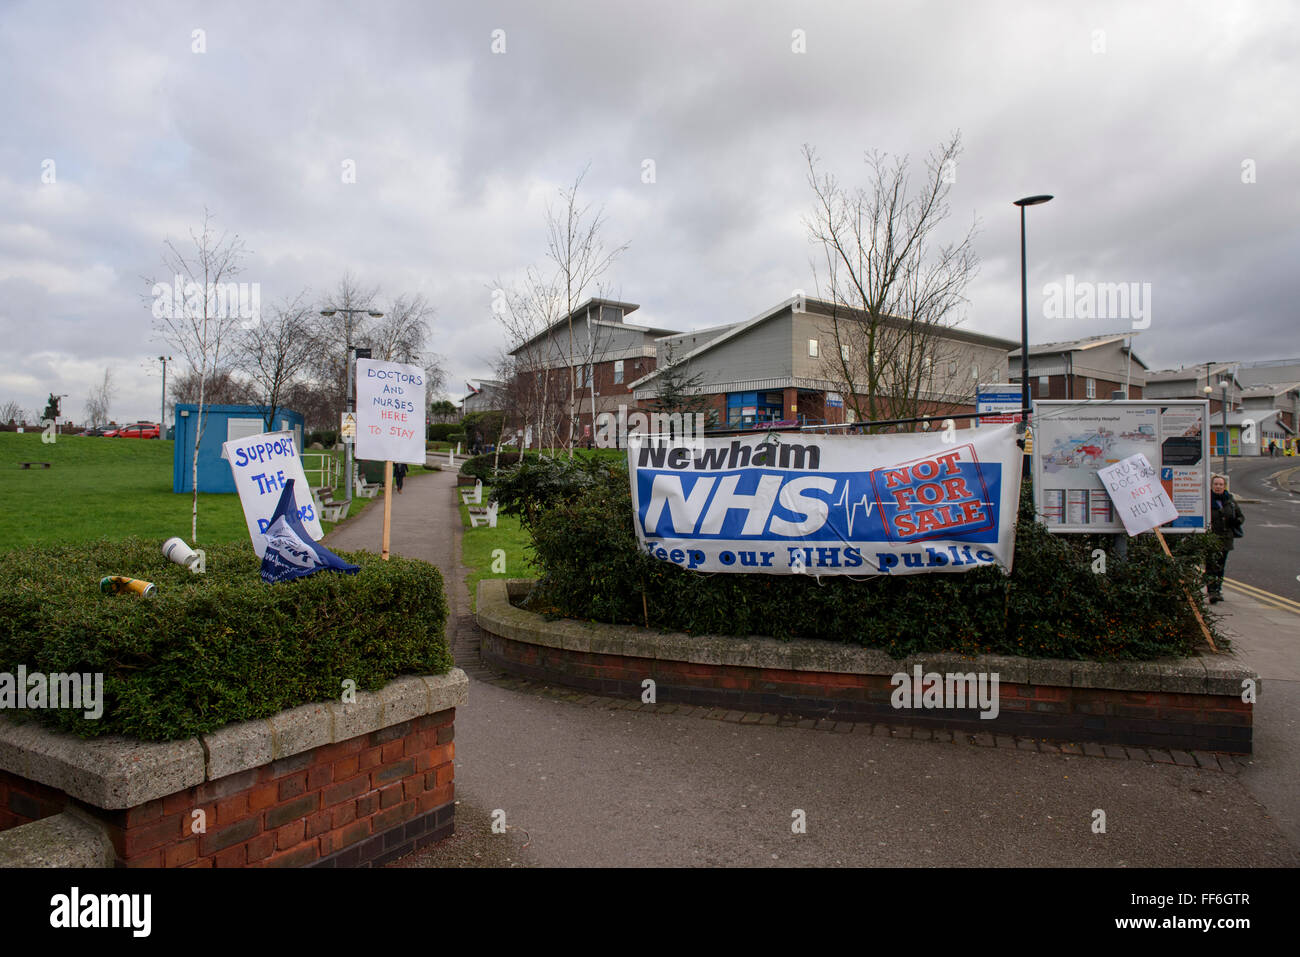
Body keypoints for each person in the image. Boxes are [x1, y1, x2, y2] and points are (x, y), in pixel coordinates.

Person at [1206, 473, 1244, 603]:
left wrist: (1236, 521)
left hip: (1226, 538)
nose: (1218, 487)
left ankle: (1218, 588)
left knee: (1221, 565)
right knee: (1211, 565)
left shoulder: (1230, 501)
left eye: (1220, 484)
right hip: (1211, 538)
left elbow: (1241, 516)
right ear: (1211, 486)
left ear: (1224, 486)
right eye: (1216, 484)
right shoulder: (1207, 500)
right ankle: (1212, 591)